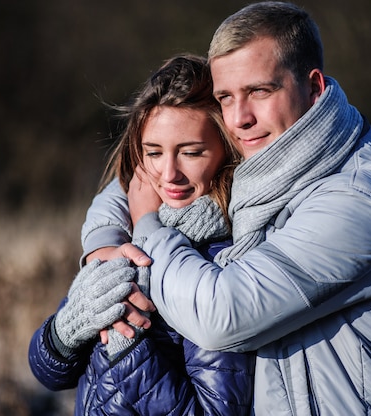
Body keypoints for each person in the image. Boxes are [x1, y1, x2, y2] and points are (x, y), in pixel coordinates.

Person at [80, 2, 371, 415]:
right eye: (226, 97)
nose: (239, 118)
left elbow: (222, 316)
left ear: (313, 87)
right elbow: (147, 180)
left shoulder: (359, 200)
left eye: (260, 91)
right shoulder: (276, 145)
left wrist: (148, 229)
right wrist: (103, 243)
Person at [28, 54, 255, 415]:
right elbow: (49, 372)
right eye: (153, 152)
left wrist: (126, 345)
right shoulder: (125, 238)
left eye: (191, 152)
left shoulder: (225, 264)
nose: (169, 174)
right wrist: (69, 328)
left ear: (226, 151)